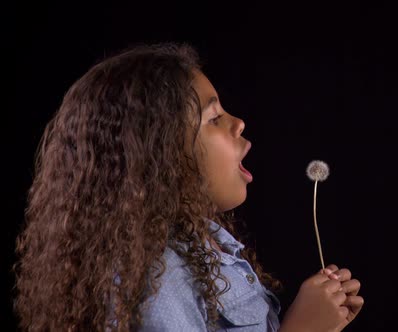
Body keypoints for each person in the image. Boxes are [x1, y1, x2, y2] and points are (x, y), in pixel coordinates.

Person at [14, 42, 363, 331]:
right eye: (214, 118)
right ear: (161, 155)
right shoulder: (160, 278)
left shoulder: (208, 249)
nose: (239, 123)